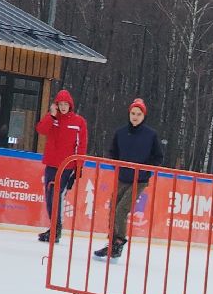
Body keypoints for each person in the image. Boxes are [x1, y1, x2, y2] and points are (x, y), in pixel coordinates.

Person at [95, 98, 164, 262]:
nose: (135, 117)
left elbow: (158, 157)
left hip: (139, 180)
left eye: (139, 114)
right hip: (122, 177)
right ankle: (112, 242)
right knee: (113, 208)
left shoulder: (150, 135)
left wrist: (145, 169)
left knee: (121, 209)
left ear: (143, 116)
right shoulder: (120, 132)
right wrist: (117, 165)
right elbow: (113, 152)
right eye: (133, 113)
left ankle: (118, 242)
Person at [35, 88, 89, 243]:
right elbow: (41, 129)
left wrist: (78, 168)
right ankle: (54, 227)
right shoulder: (53, 118)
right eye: (61, 104)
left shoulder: (79, 122)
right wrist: (51, 115)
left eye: (66, 104)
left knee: (57, 196)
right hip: (51, 164)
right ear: (56, 105)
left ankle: (56, 229)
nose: (63, 107)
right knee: (49, 196)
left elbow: (81, 146)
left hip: (67, 167)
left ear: (70, 105)